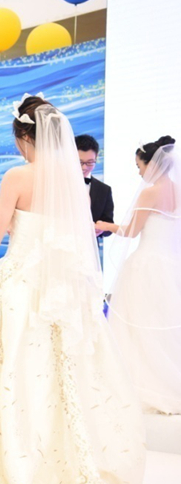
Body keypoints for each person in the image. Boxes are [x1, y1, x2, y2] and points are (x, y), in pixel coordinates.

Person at [0, 95, 146, 484]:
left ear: (23, 137)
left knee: (17, 371)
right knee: (64, 374)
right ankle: (67, 462)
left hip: (21, 286)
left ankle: (18, 463)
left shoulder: (18, 176)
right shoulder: (74, 184)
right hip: (64, 291)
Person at [100, 136, 181, 415]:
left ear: (151, 164)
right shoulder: (177, 190)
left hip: (146, 264)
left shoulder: (150, 193)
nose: (138, 172)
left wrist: (103, 224)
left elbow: (130, 231)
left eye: (139, 166)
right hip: (170, 265)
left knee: (141, 324)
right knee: (164, 323)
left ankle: (144, 385)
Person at [76, 134, 115, 239]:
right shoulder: (58, 184)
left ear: (96, 158)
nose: (84, 167)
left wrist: (101, 229)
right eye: (80, 162)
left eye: (90, 163)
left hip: (90, 245)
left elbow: (109, 224)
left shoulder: (104, 190)